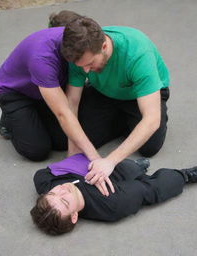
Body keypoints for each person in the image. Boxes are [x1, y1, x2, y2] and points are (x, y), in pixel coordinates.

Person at [60, 16, 171, 187]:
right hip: (105, 92)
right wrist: (72, 150)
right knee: (75, 139)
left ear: (104, 46)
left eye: (90, 64)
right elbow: (72, 102)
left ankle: (126, 121)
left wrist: (110, 161)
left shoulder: (137, 52)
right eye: (81, 66)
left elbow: (151, 119)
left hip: (139, 96)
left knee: (150, 146)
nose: (85, 70)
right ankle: (125, 123)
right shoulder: (80, 53)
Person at [0, 13, 101, 162]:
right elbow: (63, 113)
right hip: (16, 93)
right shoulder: (42, 59)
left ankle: (36, 116)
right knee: (36, 150)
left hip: (50, 84)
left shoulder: (78, 39)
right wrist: (93, 156)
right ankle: (10, 119)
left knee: (65, 134)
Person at [30, 153, 197, 235]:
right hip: (122, 188)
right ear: (74, 217)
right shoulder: (112, 205)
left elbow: (46, 171)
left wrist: (95, 167)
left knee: (125, 165)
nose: (62, 190)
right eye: (64, 201)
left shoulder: (44, 181)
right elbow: (140, 189)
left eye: (53, 193)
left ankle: (135, 167)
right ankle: (186, 175)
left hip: (100, 169)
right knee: (151, 187)